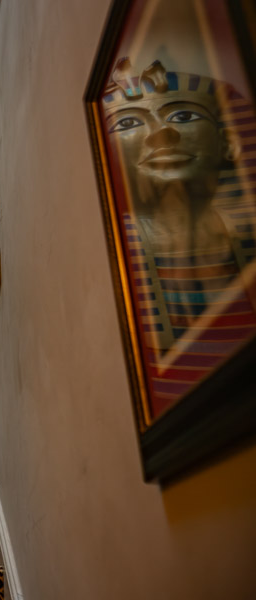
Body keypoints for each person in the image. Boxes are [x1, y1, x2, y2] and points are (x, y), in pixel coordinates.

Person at [103, 59, 256, 417]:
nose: (161, 134)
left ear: (228, 143)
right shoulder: (114, 263)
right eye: (128, 123)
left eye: (183, 116)